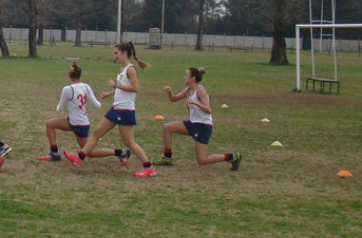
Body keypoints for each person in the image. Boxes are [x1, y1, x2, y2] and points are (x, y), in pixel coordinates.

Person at [63, 42, 156, 177]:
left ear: (124, 53)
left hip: (125, 110)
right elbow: (123, 88)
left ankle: (149, 167)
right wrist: (110, 92)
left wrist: (116, 85)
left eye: (116, 53)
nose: (115, 56)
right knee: (96, 133)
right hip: (115, 109)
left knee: (129, 142)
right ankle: (79, 158)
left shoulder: (131, 69)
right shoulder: (123, 70)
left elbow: (135, 89)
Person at [39, 61, 132, 165]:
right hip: (79, 122)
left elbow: (59, 110)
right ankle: (54, 153)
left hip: (78, 125)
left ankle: (121, 152)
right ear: (80, 75)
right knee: (49, 124)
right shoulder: (86, 86)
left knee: (90, 153)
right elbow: (97, 105)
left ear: (69, 76)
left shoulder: (67, 89)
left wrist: (67, 103)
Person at [153, 67, 242, 171]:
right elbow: (174, 99)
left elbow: (208, 110)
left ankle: (233, 157)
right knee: (167, 128)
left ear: (192, 78)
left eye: (186, 75)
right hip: (192, 124)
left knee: (202, 160)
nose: (184, 77)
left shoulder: (201, 91)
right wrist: (169, 92)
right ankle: (167, 158)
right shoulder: (189, 89)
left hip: (203, 127)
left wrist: (196, 103)